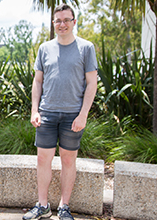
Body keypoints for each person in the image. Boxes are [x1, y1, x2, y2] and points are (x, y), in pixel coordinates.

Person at [23, 4, 98, 220]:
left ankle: (64, 206)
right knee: (42, 160)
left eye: (66, 20)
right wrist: (34, 110)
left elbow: (91, 84)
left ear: (74, 22)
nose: (62, 24)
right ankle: (43, 206)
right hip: (46, 114)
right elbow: (38, 81)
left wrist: (83, 114)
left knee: (68, 160)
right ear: (53, 23)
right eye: (58, 20)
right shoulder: (44, 48)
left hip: (73, 116)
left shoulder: (86, 48)